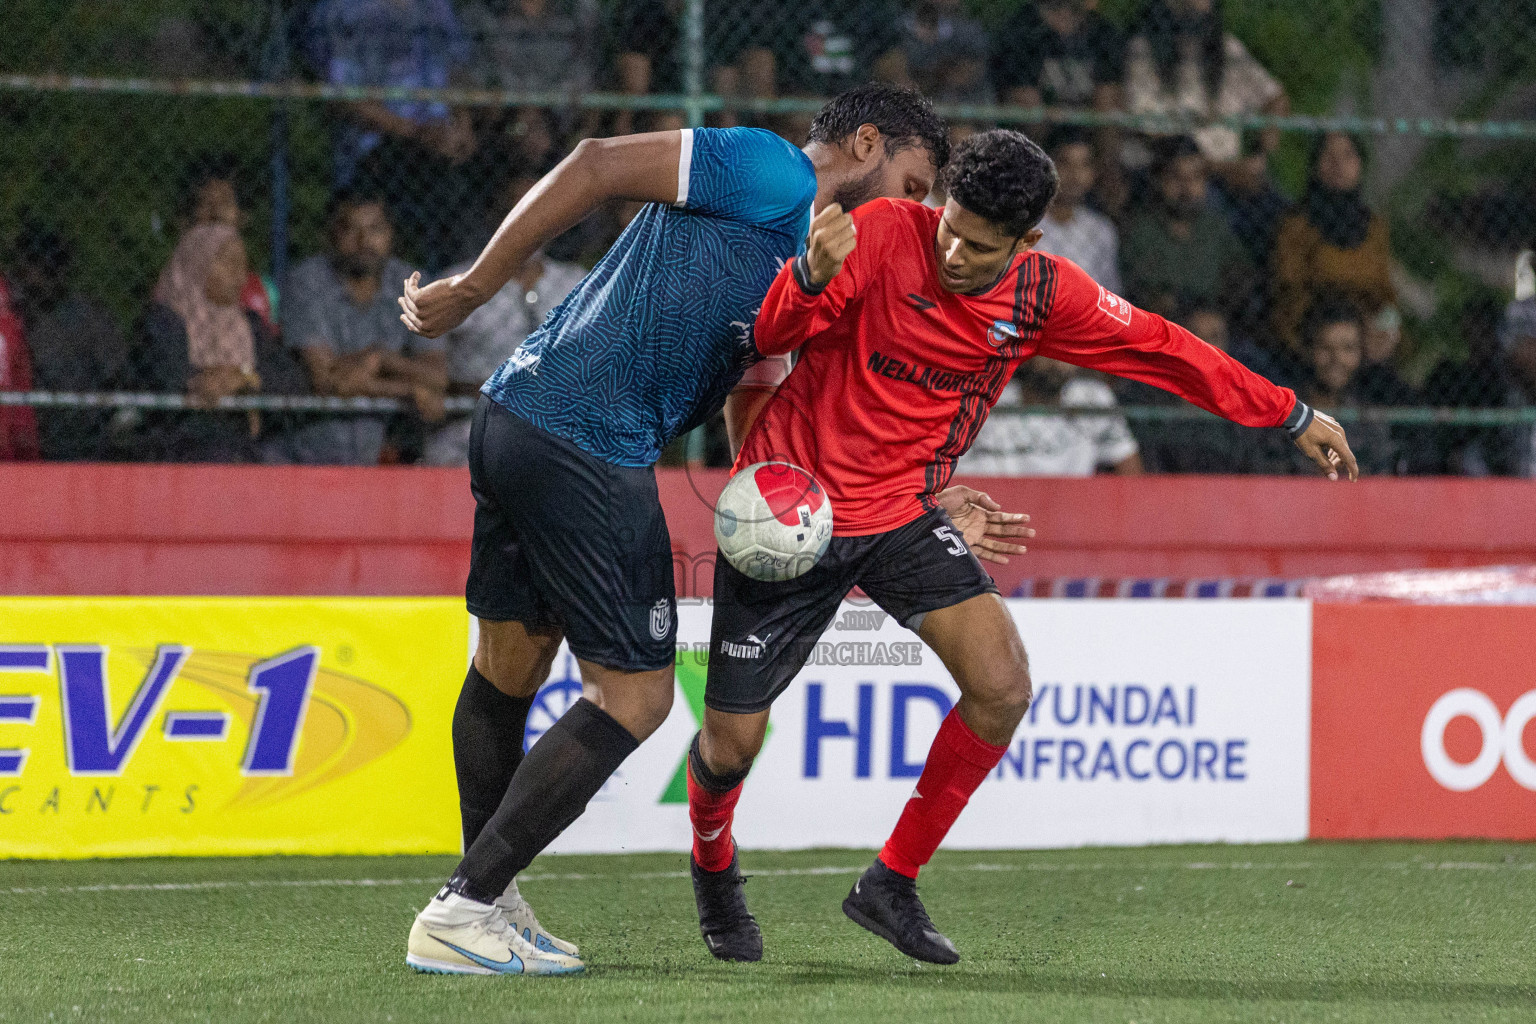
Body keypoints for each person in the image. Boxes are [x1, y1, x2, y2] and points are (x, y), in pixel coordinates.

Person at [684, 129, 1357, 965]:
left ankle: (890, 881)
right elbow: (774, 330)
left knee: (1002, 685)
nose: (956, 252)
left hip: (900, 512)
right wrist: (809, 275)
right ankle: (713, 861)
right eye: (950, 228)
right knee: (731, 747)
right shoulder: (885, 230)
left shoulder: (1043, 295)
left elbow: (1161, 348)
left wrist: (1287, 413)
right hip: (792, 508)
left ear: (1028, 243)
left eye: (980, 245)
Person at [394, 84, 973, 976]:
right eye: (916, 179)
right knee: (636, 696)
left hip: (517, 419)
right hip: (586, 439)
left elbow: (753, 392)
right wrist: (476, 286)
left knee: (508, 663)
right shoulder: (767, 168)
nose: (921, 207)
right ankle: (464, 905)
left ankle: (485, 901)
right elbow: (594, 165)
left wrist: (766, 502)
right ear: (865, 144)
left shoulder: (810, 261)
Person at [421, 174, 586, 466]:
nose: (531, 222)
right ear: (494, 219)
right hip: (472, 429)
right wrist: (501, 391)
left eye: (542, 210)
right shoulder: (456, 283)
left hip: (559, 432)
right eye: (518, 211)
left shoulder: (577, 283)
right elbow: (430, 374)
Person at [277, 190, 447, 466]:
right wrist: (407, 390)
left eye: (375, 229)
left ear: (391, 235)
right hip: (307, 451)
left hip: (384, 452)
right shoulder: (306, 282)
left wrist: (381, 359)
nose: (364, 241)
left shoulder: (413, 283)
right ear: (330, 235)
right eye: (350, 229)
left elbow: (436, 376)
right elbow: (328, 381)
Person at [305, 0, 479, 269]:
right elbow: (343, 97)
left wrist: (463, 124)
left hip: (441, 138)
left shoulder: (436, 7)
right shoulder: (342, 9)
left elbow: (458, 67)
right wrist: (417, 132)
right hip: (379, 144)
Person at [138, 225, 308, 462]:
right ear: (197, 262)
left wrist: (243, 376)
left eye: (243, 266)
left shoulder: (249, 324)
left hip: (242, 450)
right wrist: (217, 380)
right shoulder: (164, 320)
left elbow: (292, 378)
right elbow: (168, 379)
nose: (240, 276)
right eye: (229, 263)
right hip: (177, 451)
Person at [2, 224, 129, 461]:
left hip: (80, 436)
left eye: (47, 268)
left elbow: (118, 374)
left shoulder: (86, 316)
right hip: (23, 435)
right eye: (30, 265)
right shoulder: (9, 313)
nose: (36, 276)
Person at [1272, 132, 1395, 357]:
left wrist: (1389, 327)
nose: (1338, 164)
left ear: (1360, 164)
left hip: (1366, 340)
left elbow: (1384, 293)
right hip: (1314, 337)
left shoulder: (1375, 227)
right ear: (1316, 165)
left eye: (1348, 155)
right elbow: (1291, 292)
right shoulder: (1297, 225)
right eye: (1329, 155)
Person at [1123, 0, 1287, 167]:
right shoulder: (1144, 50)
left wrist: (1259, 156)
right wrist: (1206, 164)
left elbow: (1275, 98)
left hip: (1222, 173)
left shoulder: (1227, 49)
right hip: (1161, 169)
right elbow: (1147, 131)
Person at [1121, 136, 1252, 320]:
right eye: (1176, 177)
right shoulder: (1141, 231)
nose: (1187, 188)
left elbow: (1241, 275)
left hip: (1211, 321)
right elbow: (1137, 292)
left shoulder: (1216, 228)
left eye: (1195, 177)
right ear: (1159, 180)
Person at [959, 357, 1142, 475]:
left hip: (1072, 515)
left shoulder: (1091, 397)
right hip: (999, 511)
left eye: (1064, 352)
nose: (1058, 362)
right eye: (1048, 351)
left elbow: (1128, 464)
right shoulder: (985, 399)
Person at [1033, 127, 1121, 293]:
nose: (1075, 175)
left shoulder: (1101, 230)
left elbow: (1111, 295)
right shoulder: (1025, 227)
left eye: (1083, 165)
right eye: (1065, 164)